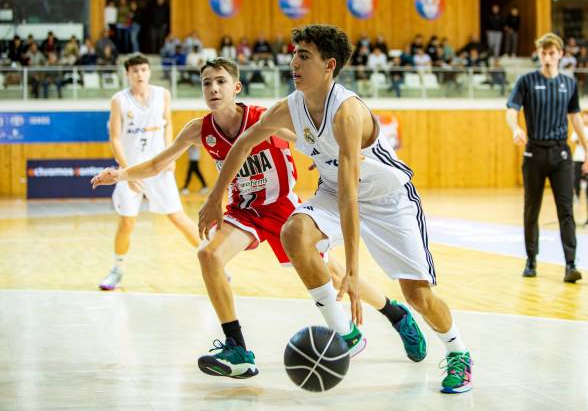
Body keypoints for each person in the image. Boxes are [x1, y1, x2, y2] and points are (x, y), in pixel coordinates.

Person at [92, 57, 427, 380]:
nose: (213, 88)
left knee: (335, 274)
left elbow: (305, 140)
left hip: (283, 209)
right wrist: (120, 174)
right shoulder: (199, 129)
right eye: (207, 83)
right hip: (245, 210)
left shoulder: (264, 118)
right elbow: (156, 164)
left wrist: (325, 159)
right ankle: (237, 348)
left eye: (221, 81)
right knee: (208, 255)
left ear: (236, 86)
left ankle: (396, 314)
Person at [199, 25, 472, 394]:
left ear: (329, 65)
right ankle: (346, 333)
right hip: (332, 189)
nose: (293, 62)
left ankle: (458, 352)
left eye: (304, 56)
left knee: (417, 296)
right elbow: (244, 143)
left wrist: (355, 268)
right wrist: (216, 196)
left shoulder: (347, 113)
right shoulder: (289, 107)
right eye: (294, 54)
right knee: (293, 231)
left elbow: (351, 194)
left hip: (388, 199)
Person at [97, 53, 200, 290]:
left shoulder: (162, 94)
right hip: (131, 169)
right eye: (134, 71)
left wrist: (170, 154)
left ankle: (214, 263)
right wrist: (125, 172)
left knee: (178, 217)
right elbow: (114, 137)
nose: (139, 74)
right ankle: (117, 269)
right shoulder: (119, 100)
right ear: (127, 74)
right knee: (126, 223)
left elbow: (168, 125)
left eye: (143, 69)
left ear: (149, 71)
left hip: (159, 168)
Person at [506, 33, 588, 283]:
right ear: (539, 55)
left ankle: (570, 264)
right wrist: (516, 128)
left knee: (566, 209)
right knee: (531, 209)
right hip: (534, 152)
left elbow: (575, 118)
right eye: (543, 53)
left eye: (551, 53)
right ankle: (531, 260)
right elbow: (511, 111)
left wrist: (586, 150)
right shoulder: (527, 81)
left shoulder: (569, 84)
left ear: (560, 55)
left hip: (561, 155)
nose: (547, 57)